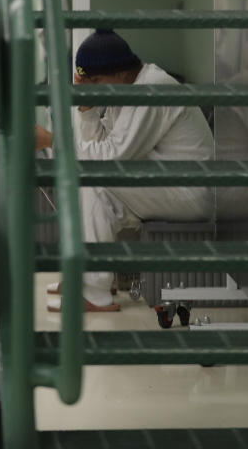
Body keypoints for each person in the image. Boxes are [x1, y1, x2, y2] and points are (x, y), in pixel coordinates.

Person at [37, 30, 214, 313]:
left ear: (120, 74)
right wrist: (86, 106)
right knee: (97, 191)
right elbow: (98, 144)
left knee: (93, 178)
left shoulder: (152, 89)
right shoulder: (126, 88)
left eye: (96, 81)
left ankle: (94, 291)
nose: (92, 87)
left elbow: (109, 158)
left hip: (189, 192)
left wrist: (51, 140)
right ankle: (89, 282)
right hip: (164, 183)